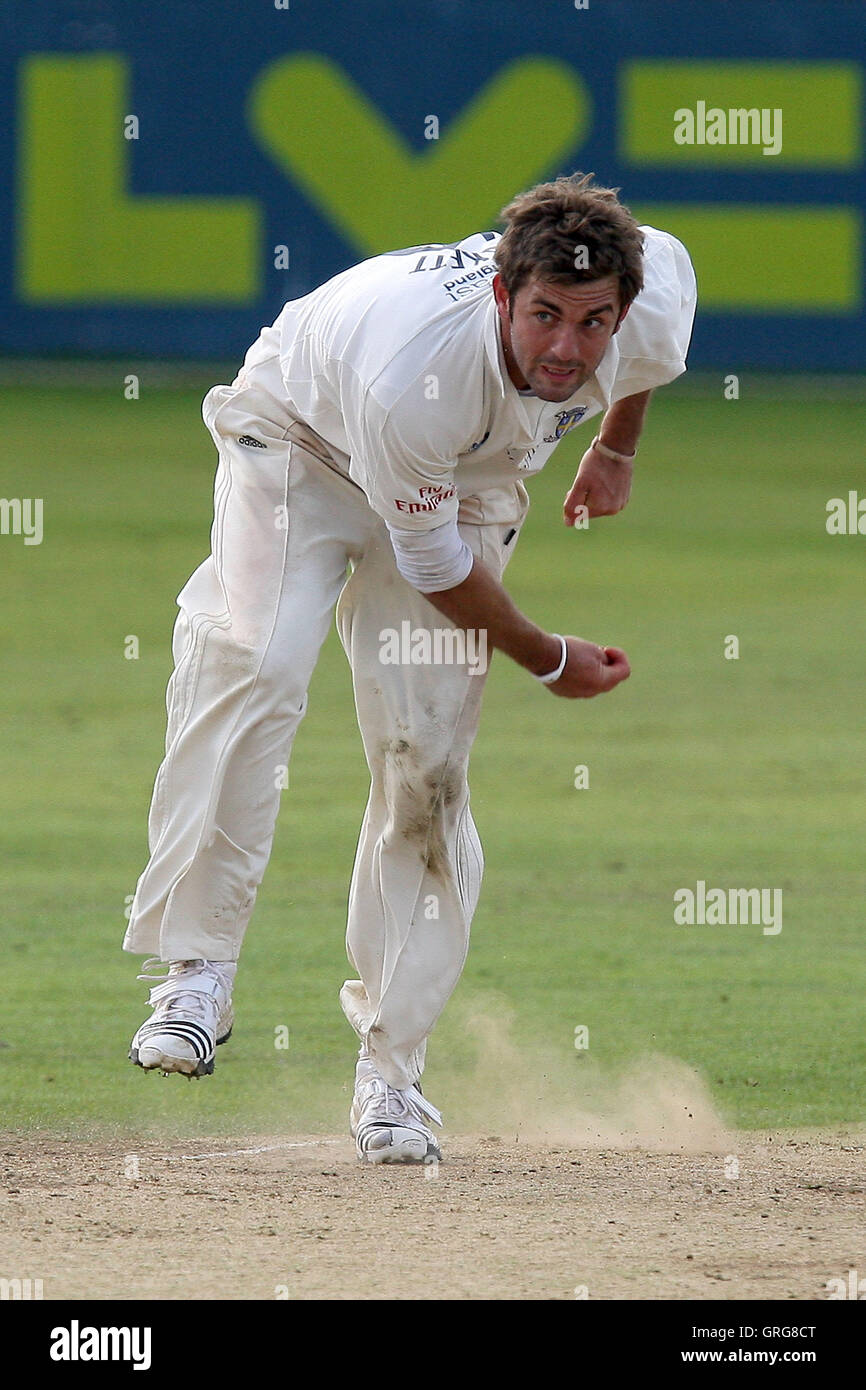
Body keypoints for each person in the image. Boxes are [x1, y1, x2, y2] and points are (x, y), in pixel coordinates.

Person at [125, 172, 697, 1164]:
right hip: (300, 443)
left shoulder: (652, 289)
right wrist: (548, 657)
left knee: (423, 770)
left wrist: (616, 449)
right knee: (254, 661)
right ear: (498, 296)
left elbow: (641, 363)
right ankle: (196, 972)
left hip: (463, 485)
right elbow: (433, 568)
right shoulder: (413, 369)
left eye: (592, 321)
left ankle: (390, 1078)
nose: (567, 348)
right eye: (544, 317)